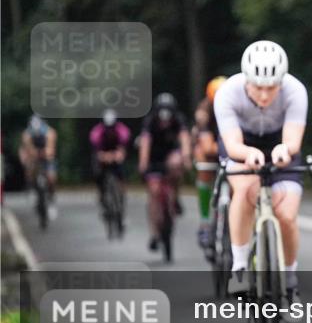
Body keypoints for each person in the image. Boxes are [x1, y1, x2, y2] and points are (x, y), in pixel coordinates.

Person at [215, 41, 308, 315]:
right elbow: (232, 144)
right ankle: (240, 266)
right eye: (258, 87)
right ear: (246, 80)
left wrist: (285, 150)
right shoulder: (228, 92)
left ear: (282, 81)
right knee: (246, 189)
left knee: (287, 215)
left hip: (281, 145)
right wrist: (246, 153)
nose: (265, 95)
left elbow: (293, 141)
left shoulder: (295, 90)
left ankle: (290, 281)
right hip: (243, 144)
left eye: (272, 87)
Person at [138, 93, 192, 252]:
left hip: (171, 156)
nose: (165, 121)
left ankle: (175, 196)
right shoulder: (150, 122)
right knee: (154, 193)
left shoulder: (179, 120)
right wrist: (143, 163)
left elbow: (184, 139)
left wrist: (187, 158)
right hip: (154, 159)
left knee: (176, 164)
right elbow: (145, 143)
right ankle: (154, 233)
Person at [194, 76, 227, 256]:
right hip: (213, 152)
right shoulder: (204, 115)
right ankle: (205, 222)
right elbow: (207, 147)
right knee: (204, 166)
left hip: (229, 149)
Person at [89, 109, 131, 222]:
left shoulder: (122, 130)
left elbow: (122, 150)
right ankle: (102, 198)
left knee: (121, 175)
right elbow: (97, 152)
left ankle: (122, 199)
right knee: (98, 176)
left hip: (115, 155)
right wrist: (104, 157)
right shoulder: (97, 132)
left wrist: (117, 156)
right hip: (102, 155)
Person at [19, 114, 58, 220]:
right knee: (29, 169)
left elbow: (51, 147)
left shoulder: (49, 132)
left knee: (51, 177)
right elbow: (27, 147)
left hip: (46, 156)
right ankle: (31, 187)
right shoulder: (27, 133)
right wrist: (32, 155)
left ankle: (51, 201)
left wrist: (47, 152)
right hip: (34, 156)